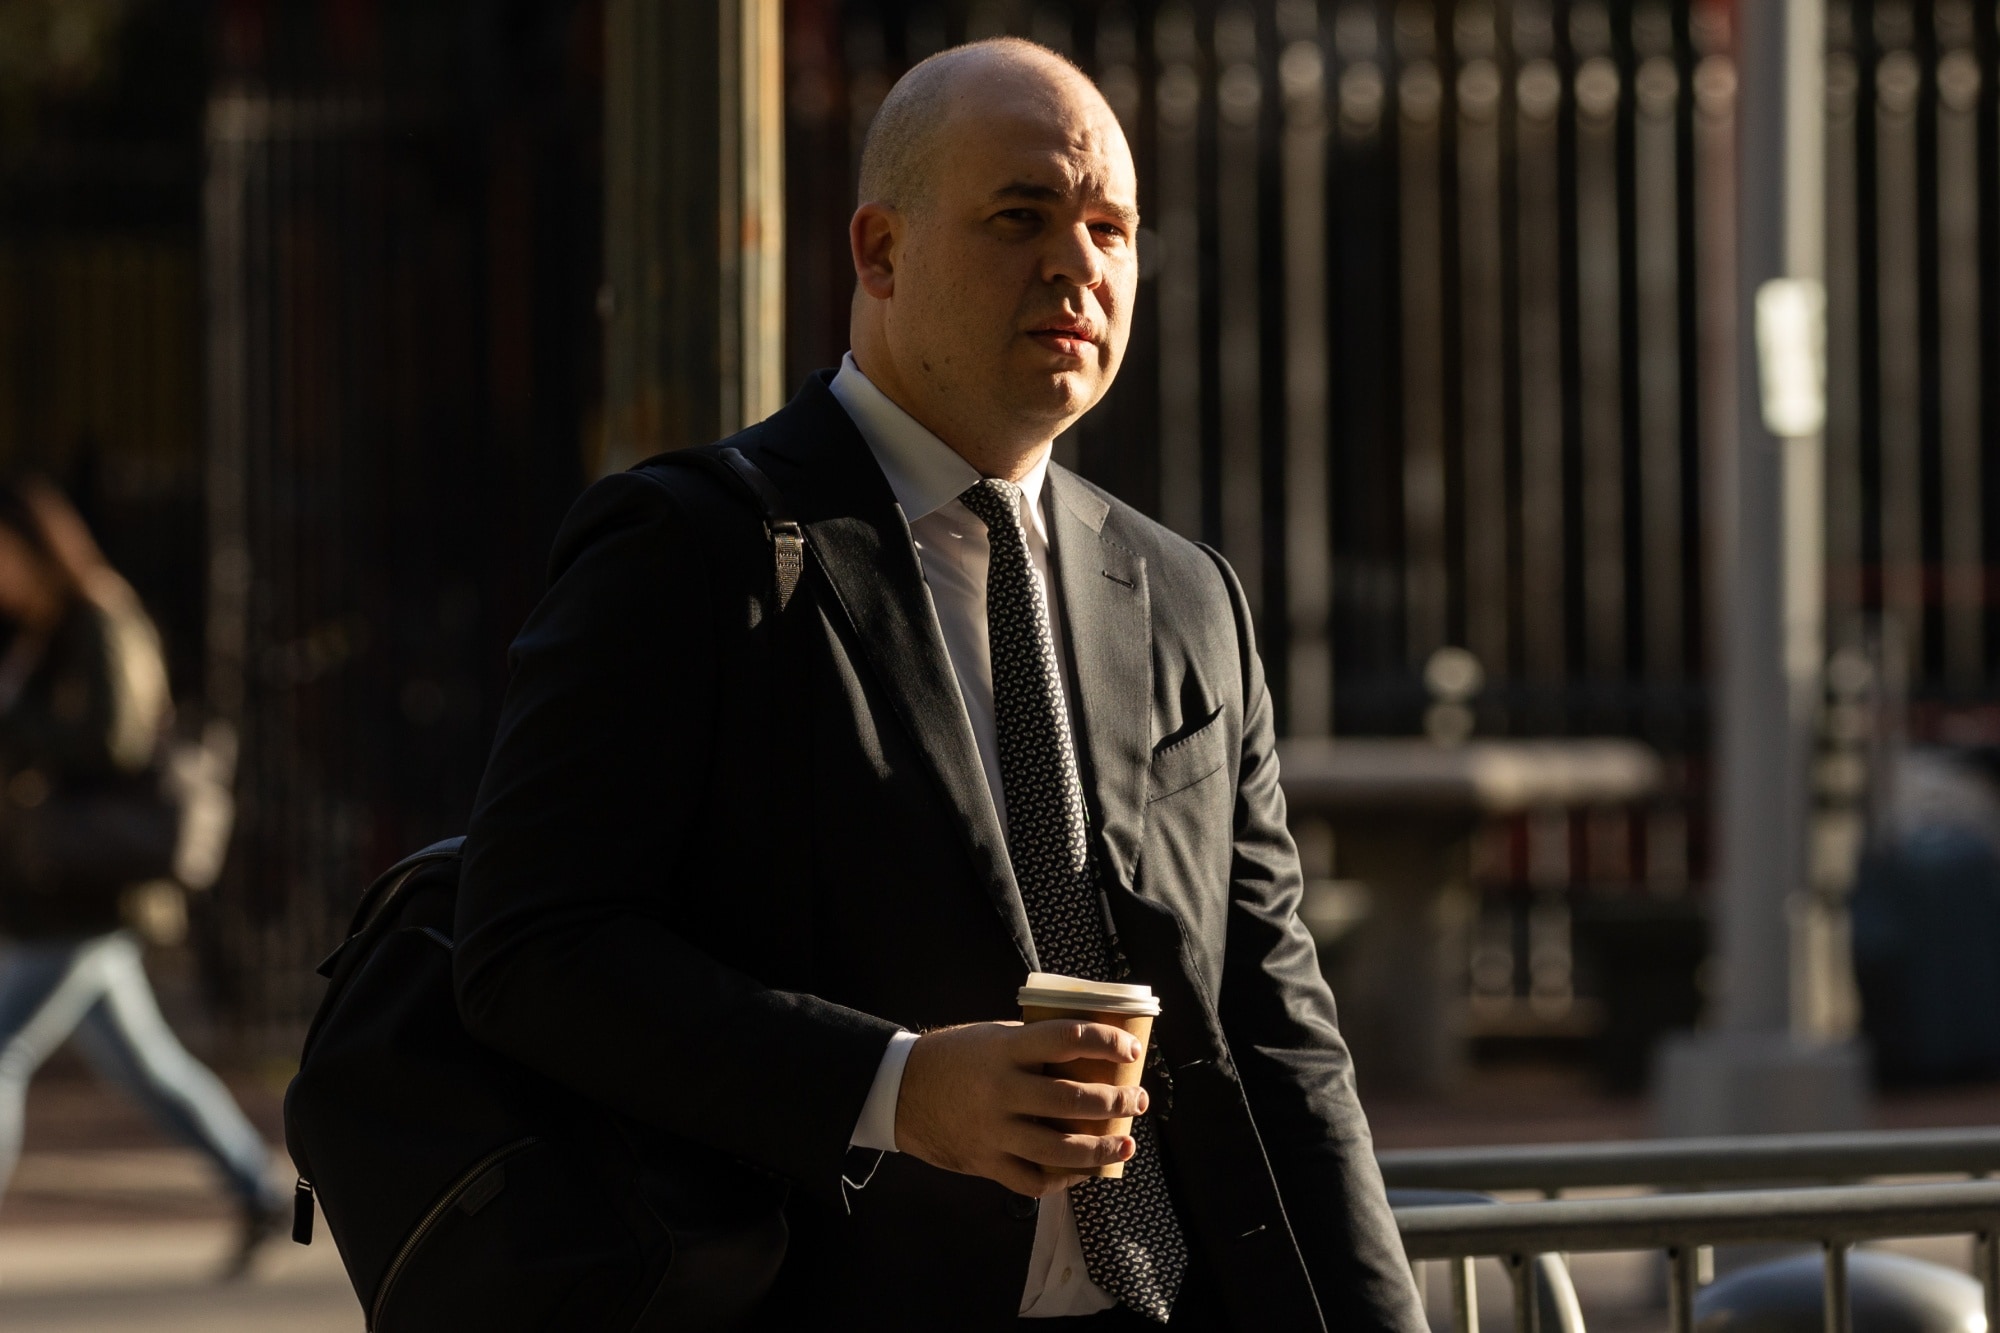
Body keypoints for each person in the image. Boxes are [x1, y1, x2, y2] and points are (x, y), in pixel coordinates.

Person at [457, 38, 1424, 1331]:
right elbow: (530, 951)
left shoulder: (1188, 597)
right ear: (879, 252)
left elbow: (1278, 1031)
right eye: (1020, 216)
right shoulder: (690, 552)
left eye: (1110, 228)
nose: (1076, 264)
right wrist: (895, 1087)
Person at [0, 480, 283, 1275]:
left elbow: (116, 740)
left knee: (2, 1051)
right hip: (61, 889)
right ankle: (257, 1189)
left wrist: (15, 723)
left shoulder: (99, 616)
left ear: (35, 546)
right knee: (149, 1068)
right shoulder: (44, 629)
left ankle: (256, 1189)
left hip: (91, 889)